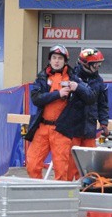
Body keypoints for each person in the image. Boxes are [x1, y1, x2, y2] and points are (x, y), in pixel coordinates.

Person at [25, 45, 96, 180]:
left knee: (62, 170)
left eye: (59, 58)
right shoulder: (42, 77)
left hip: (62, 129)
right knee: (32, 164)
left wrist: (78, 87)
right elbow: (36, 99)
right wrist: (58, 94)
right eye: (54, 58)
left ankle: (59, 198)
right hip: (42, 128)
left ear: (65, 61)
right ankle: (37, 192)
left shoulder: (73, 78)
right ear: (50, 60)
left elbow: (91, 98)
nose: (56, 61)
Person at [67, 48, 110, 181]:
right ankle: (66, 189)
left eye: (99, 64)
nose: (98, 67)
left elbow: (102, 104)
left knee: (89, 165)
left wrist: (104, 123)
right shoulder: (71, 77)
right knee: (70, 164)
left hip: (89, 128)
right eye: (95, 64)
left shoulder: (98, 81)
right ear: (85, 64)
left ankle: (86, 190)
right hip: (73, 128)